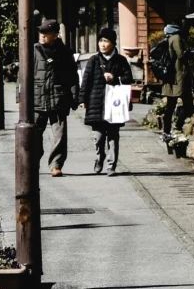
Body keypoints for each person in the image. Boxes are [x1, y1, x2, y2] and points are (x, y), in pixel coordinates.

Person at [32, 15, 80, 176]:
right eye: (41, 32)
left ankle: (56, 164)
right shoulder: (34, 51)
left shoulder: (65, 52)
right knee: (34, 134)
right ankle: (33, 163)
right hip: (38, 98)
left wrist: (75, 98)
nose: (42, 35)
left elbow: (73, 76)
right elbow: (23, 76)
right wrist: (21, 98)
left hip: (59, 98)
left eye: (46, 33)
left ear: (55, 34)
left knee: (59, 135)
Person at [79, 30, 133, 173]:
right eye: (100, 41)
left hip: (115, 104)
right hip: (96, 102)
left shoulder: (121, 60)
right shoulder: (93, 60)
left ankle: (111, 165)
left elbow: (129, 79)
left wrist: (114, 77)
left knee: (113, 136)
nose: (102, 44)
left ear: (113, 43)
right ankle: (100, 157)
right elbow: (86, 81)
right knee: (98, 137)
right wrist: (82, 99)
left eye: (106, 41)